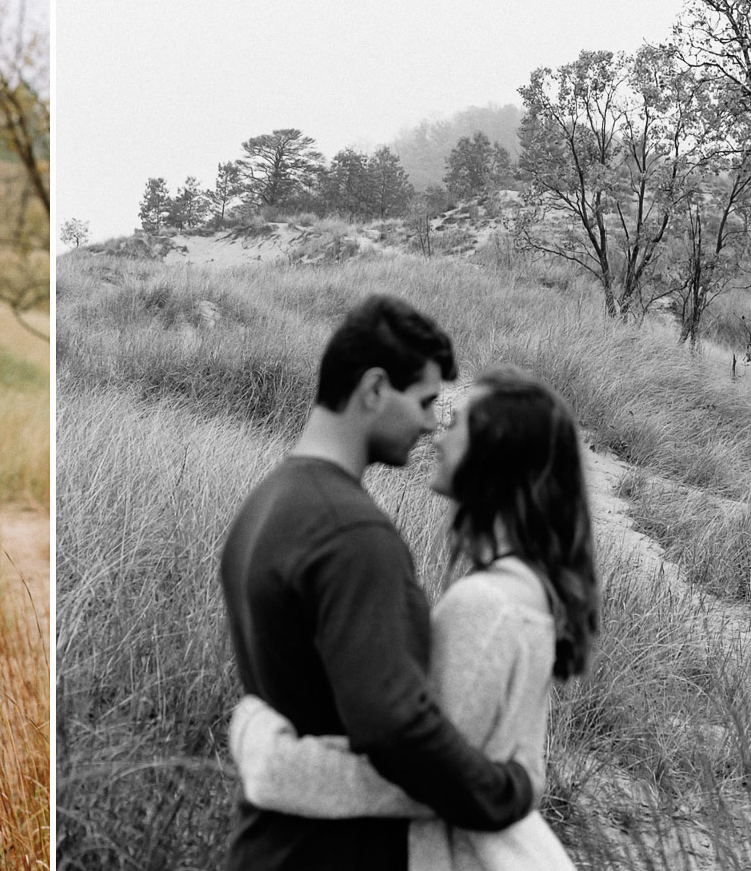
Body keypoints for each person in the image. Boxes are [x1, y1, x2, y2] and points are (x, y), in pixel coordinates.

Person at [229, 367, 598, 870]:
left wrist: (270, 759)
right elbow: (502, 766)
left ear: (497, 454)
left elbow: (425, 778)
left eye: (457, 423)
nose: (437, 436)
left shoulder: (485, 606)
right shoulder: (531, 589)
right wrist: (520, 783)